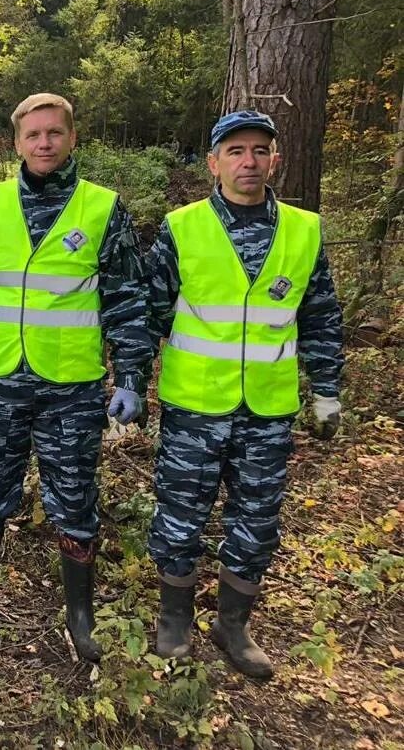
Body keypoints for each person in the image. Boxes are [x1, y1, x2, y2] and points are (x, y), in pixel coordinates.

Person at [0, 93, 151, 659]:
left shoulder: (102, 207)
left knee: (75, 499)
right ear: (17, 142)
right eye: (34, 135)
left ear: (72, 138)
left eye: (54, 133)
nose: (44, 143)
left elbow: (126, 297)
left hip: (70, 386)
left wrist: (130, 374)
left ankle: (80, 616)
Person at [146, 110, 344, 679]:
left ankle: (233, 624)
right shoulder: (181, 227)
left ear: (275, 159)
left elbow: (321, 316)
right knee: (181, 513)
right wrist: (132, 377)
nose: (248, 162)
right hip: (195, 406)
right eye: (235, 151)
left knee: (257, 517)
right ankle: (175, 618)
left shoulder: (304, 231)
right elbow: (149, 310)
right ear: (213, 163)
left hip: (267, 408)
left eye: (260, 150)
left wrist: (327, 390)